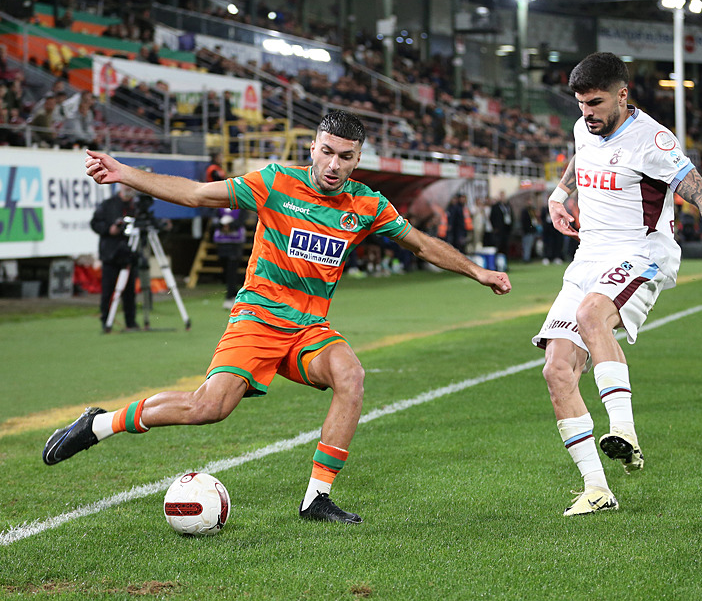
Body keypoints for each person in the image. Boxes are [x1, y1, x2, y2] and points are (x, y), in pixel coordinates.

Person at [43, 111, 512, 525]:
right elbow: (195, 194)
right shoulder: (273, 183)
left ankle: (317, 499)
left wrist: (477, 271)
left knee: (351, 374)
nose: (333, 165)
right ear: (313, 147)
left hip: (309, 327)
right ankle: (99, 425)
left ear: (357, 159)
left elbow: (423, 244)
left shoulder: (367, 205)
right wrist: (124, 172)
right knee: (209, 408)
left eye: (344, 157)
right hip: (259, 318)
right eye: (326, 152)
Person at [533, 53, 702, 516]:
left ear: (623, 94)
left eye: (595, 102)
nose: (587, 113)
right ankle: (596, 489)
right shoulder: (586, 125)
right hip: (588, 257)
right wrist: (560, 194)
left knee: (590, 314)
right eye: (580, 104)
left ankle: (625, 430)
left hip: (641, 253)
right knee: (556, 369)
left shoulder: (653, 140)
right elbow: (582, 155)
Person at [90, 182, 139, 332]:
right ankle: (106, 320)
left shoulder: (136, 207)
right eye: (125, 186)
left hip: (129, 253)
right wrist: (109, 229)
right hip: (111, 253)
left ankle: (131, 321)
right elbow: (94, 223)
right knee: (108, 290)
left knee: (130, 290)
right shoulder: (108, 204)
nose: (128, 189)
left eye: (131, 186)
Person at [213, 208, 246, 309]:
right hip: (222, 244)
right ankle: (234, 293)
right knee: (225, 273)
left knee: (232, 272)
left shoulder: (241, 207)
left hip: (235, 245)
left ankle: (229, 297)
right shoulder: (219, 207)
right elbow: (214, 221)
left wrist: (230, 225)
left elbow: (241, 221)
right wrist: (222, 225)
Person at [490, 191, 513, 270]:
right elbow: (492, 217)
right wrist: (495, 228)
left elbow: (511, 216)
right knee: (498, 248)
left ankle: (504, 265)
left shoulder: (508, 206)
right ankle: (496, 265)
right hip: (499, 231)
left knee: (505, 248)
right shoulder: (495, 206)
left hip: (506, 230)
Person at [519, 196, 540, 262]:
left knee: (530, 245)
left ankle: (528, 257)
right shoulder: (524, 211)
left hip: (532, 230)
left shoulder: (532, 210)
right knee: (526, 245)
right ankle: (526, 258)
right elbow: (524, 221)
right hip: (527, 231)